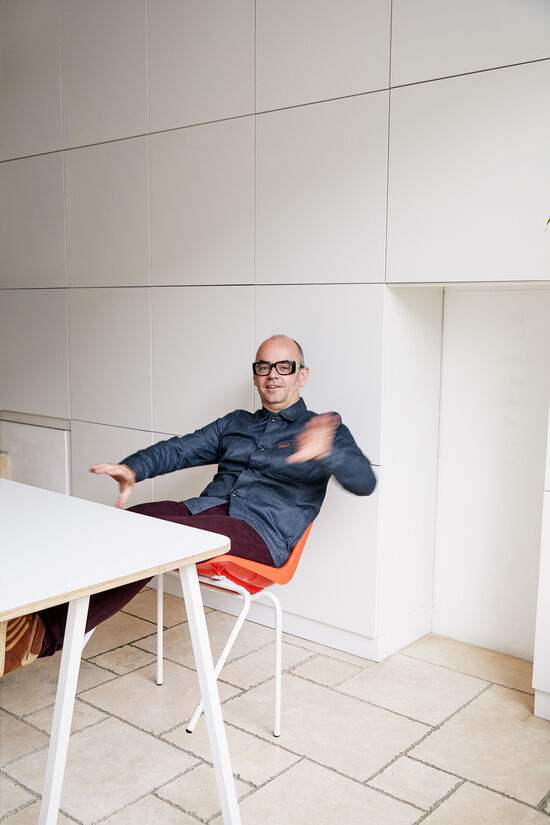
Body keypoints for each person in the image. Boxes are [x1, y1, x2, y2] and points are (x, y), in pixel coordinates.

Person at [1, 335, 376, 676]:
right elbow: (183, 448)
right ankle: (25, 613)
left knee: (156, 540)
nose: (273, 375)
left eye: (284, 367)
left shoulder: (323, 430)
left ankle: (38, 638)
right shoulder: (237, 423)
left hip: (262, 535)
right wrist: (134, 467)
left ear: (302, 374)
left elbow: (364, 482)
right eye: (264, 367)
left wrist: (329, 452)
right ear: (255, 375)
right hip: (207, 512)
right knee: (122, 524)